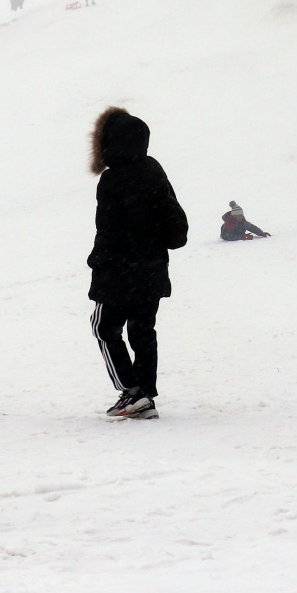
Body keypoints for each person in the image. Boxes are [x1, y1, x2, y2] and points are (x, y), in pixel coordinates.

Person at [86, 107, 187, 421]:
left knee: (103, 327)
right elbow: (176, 228)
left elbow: (108, 229)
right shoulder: (152, 169)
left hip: (118, 271)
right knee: (142, 331)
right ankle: (144, 395)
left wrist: (97, 261)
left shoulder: (112, 179)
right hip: (152, 269)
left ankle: (132, 392)